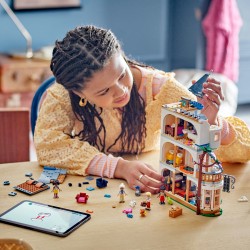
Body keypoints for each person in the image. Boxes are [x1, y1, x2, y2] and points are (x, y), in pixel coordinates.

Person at [34, 25, 250, 194]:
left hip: (150, 181)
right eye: (103, 92)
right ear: (79, 94)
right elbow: (48, 145)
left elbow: (243, 152)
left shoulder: (161, 90)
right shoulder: (63, 93)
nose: (120, 92)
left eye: (122, 75)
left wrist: (213, 125)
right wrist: (118, 167)